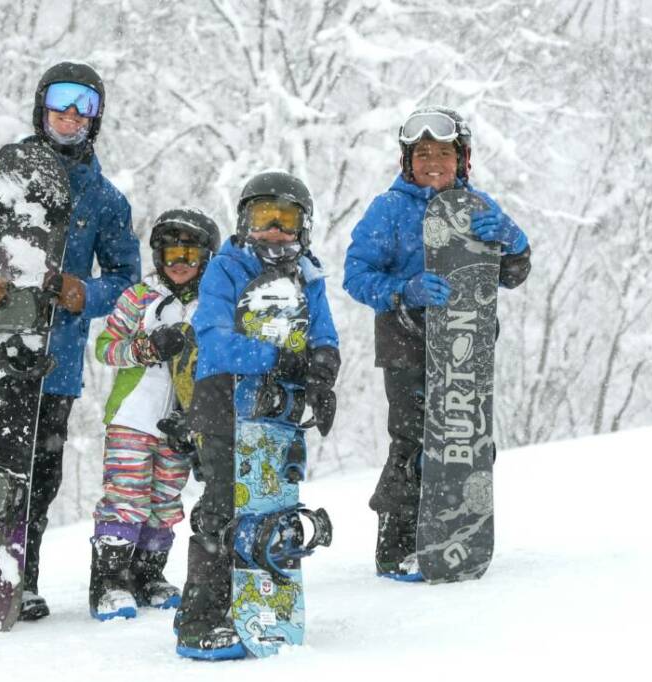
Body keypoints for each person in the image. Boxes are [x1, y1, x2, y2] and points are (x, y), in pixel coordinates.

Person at [0, 61, 141, 620]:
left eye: (83, 107)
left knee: (39, 478)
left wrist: (82, 293)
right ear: (41, 107)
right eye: (61, 104)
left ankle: (23, 576)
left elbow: (126, 280)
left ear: (96, 119)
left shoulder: (107, 201)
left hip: (55, 362)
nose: (70, 116)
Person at [342, 106, 532, 581]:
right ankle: (398, 545)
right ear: (407, 160)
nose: (432, 162)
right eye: (422, 153)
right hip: (407, 342)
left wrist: (511, 240)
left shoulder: (478, 206)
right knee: (413, 443)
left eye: (443, 153)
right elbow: (356, 274)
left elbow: (512, 273)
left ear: (462, 158)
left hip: (468, 344)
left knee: (467, 439)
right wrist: (404, 291)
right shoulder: (389, 208)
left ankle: (460, 533)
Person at [174, 171, 341, 660]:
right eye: (262, 218)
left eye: (284, 219)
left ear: (302, 226)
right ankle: (201, 617)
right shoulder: (226, 267)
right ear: (244, 221)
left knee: (271, 499)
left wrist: (322, 374)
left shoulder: (307, 273)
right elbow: (215, 339)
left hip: (277, 407)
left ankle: (261, 601)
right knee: (227, 501)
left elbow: (323, 334)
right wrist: (279, 360)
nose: (272, 230)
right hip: (223, 398)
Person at [88, 208, 221, 621]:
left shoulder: (211, 304)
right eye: (171, 254)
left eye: (190, 254)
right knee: (127, 497)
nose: (179, 263)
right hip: (134, 417)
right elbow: (105, 346)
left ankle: (148, 575)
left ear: (206, 258)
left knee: (164, 500)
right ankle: (110, 581)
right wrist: (143, 348)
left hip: (181, 424)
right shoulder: (139, 298)